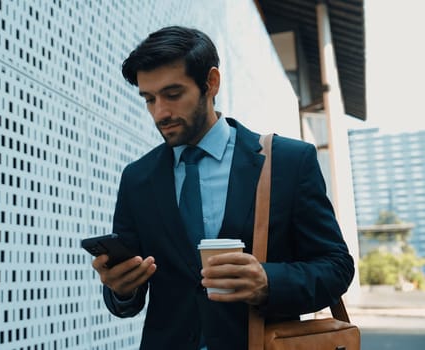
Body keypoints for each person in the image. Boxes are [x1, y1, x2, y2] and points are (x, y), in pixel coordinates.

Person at [90, 26, 355, 349]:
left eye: (173, 95)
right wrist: (120, 288)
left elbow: (336, 266)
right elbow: (128, 297)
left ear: (211, 83)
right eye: (149, 99)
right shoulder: (137, 178)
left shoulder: (288, 161)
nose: (160, 113)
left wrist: (269, 282)